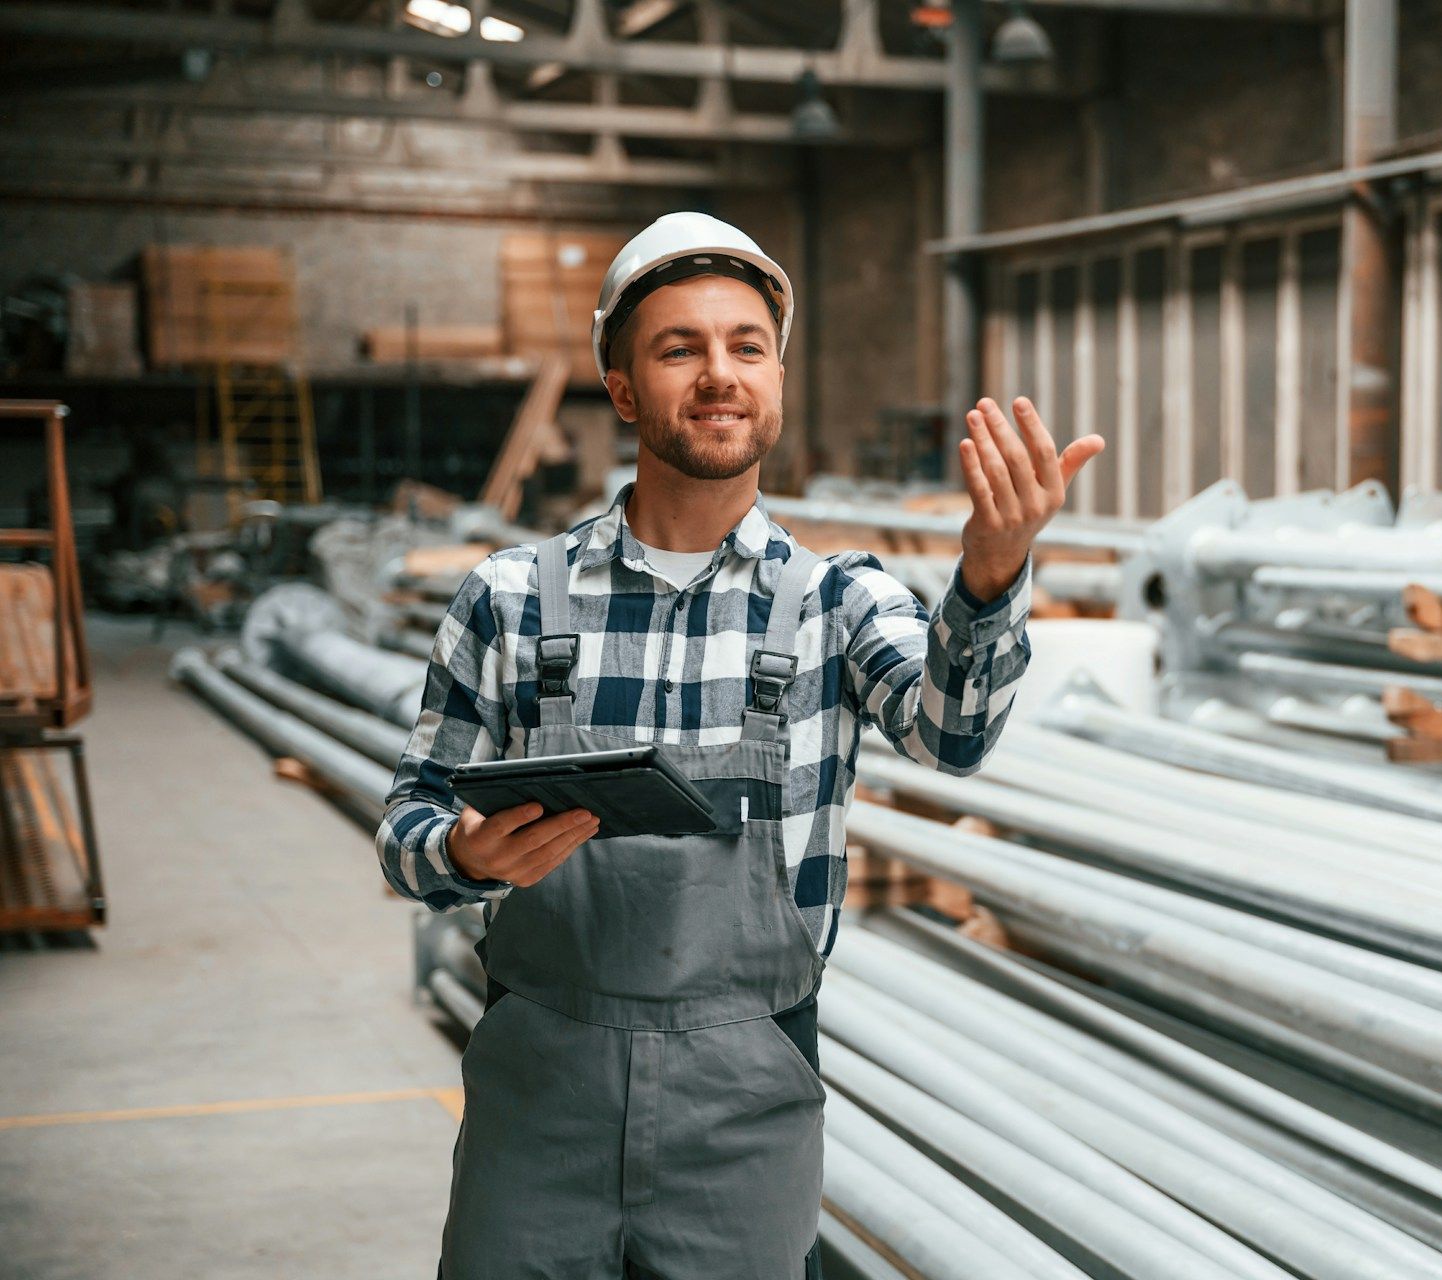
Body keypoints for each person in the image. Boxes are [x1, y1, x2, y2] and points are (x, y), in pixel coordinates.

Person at [377, 211, 1103, 1279]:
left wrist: (989, 577)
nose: (719, 373)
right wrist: (466, 854)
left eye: (746, 346)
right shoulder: (511, 598)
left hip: (745, 1096)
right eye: (680, 348)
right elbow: (406, 824)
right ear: (623, 389)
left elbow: (951, 732)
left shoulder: (838, 601)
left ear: (776, 375)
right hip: (542, 1089)